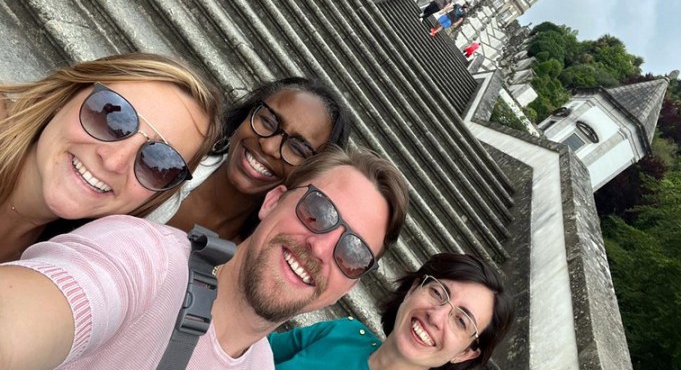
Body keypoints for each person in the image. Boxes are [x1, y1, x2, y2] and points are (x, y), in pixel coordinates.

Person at [0, 145, 409, 369]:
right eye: (317, 212)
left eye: (353, 252)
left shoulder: (262, 364)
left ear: (349, 285)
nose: (321, 249)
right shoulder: (148, 258)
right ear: (273, 200)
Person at [0, 53, 223, 262]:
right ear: (65, 98)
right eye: (110, 118)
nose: (113, 162)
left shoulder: (63, 266)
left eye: (157, 162)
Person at [145, 76, 352, 241]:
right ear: (248, 113)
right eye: (268, 122)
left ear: (311, 172)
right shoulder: (167, 156)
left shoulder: (261, 251)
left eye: (297, 148)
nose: (269, 146)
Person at [269, 253, 515, 370]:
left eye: (461, 321)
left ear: (465, 354)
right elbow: (248, 352)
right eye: (438, 292)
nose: (436, 316)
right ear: (413, 289)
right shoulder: (343, 332)